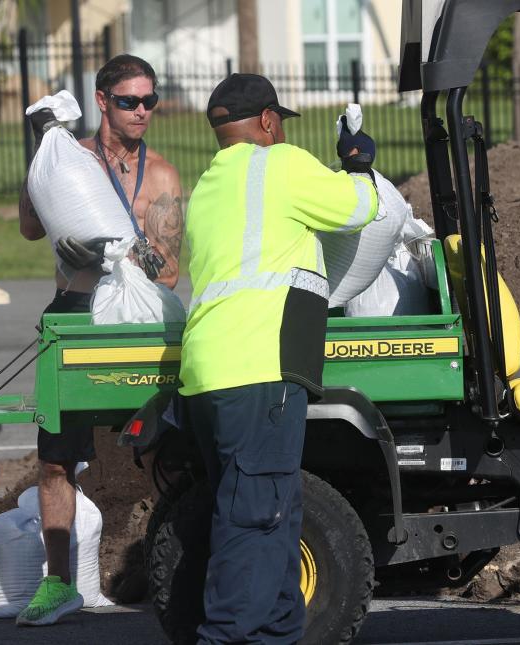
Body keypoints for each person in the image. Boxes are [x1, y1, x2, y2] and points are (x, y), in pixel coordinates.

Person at [178, 73, 378, 644]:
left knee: (273, 520)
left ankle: (279, 636)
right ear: (268, 120)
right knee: (255, 523)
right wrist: (357, 159)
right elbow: (357, 208)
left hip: (212, 375)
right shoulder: (279, 163)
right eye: (280, 121)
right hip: (261, 370)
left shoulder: (210, 185)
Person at [15, 54, 183, 626]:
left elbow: (168, 273)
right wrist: (39, 155)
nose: (142, 112)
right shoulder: (71, 158)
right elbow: (31, 227)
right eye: (131, 100)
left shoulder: (159, 175)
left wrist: (127, 251)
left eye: (150, 101)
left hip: (134, 319)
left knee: (168, 449)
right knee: (56, 459)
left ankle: (182, 563)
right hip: (73, 314)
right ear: (103, 100)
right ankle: (58, 583)